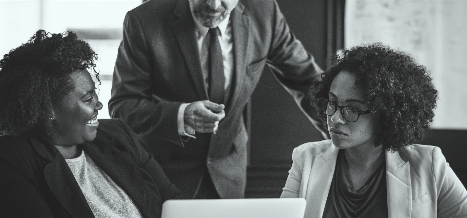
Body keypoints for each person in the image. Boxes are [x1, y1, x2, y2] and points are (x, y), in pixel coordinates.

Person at [0, 30, 182, 218]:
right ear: (47, 110)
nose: (99, 104)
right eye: (87, 99)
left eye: (95, 93)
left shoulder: (117, 135)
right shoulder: (10, 158)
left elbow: (173, 202)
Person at [281, 44, 467, 218]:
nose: (335, 118)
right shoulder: (306, 158)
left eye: (352, 110)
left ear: (386, 114)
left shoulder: (429, 164)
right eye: (332, 103)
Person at [109, 0, 327, 199]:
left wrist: (341, 133)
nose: (214, 5)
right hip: (163, 174)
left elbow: (308, 81)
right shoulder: (143, 20)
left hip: (229, 172)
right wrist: (181, 115)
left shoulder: (264, 13)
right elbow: (123, 105)